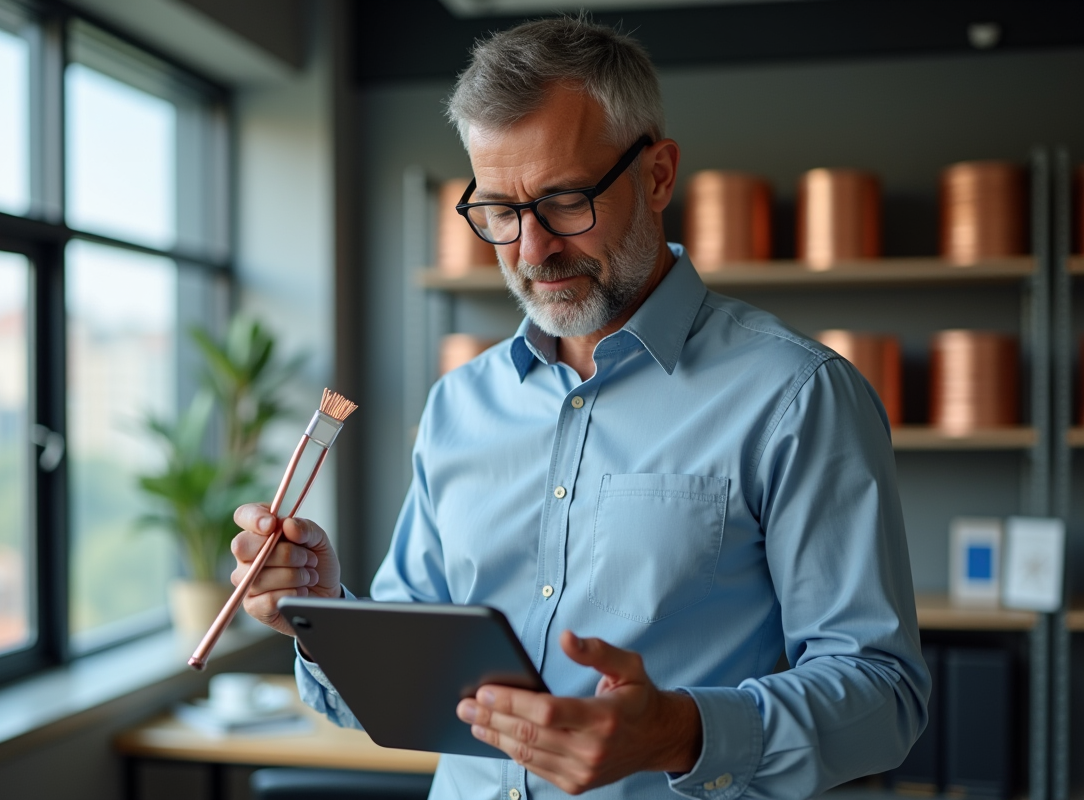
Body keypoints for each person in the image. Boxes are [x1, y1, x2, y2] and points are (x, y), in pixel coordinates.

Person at [231, 15, 929, 800]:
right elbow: (397, 694)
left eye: (566, 201)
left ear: (658, 175)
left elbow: (884, 699)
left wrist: (681, 730)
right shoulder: (460, 404)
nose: (532, 252)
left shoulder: (797, 396)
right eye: (499, 211)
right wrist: (324, 616)